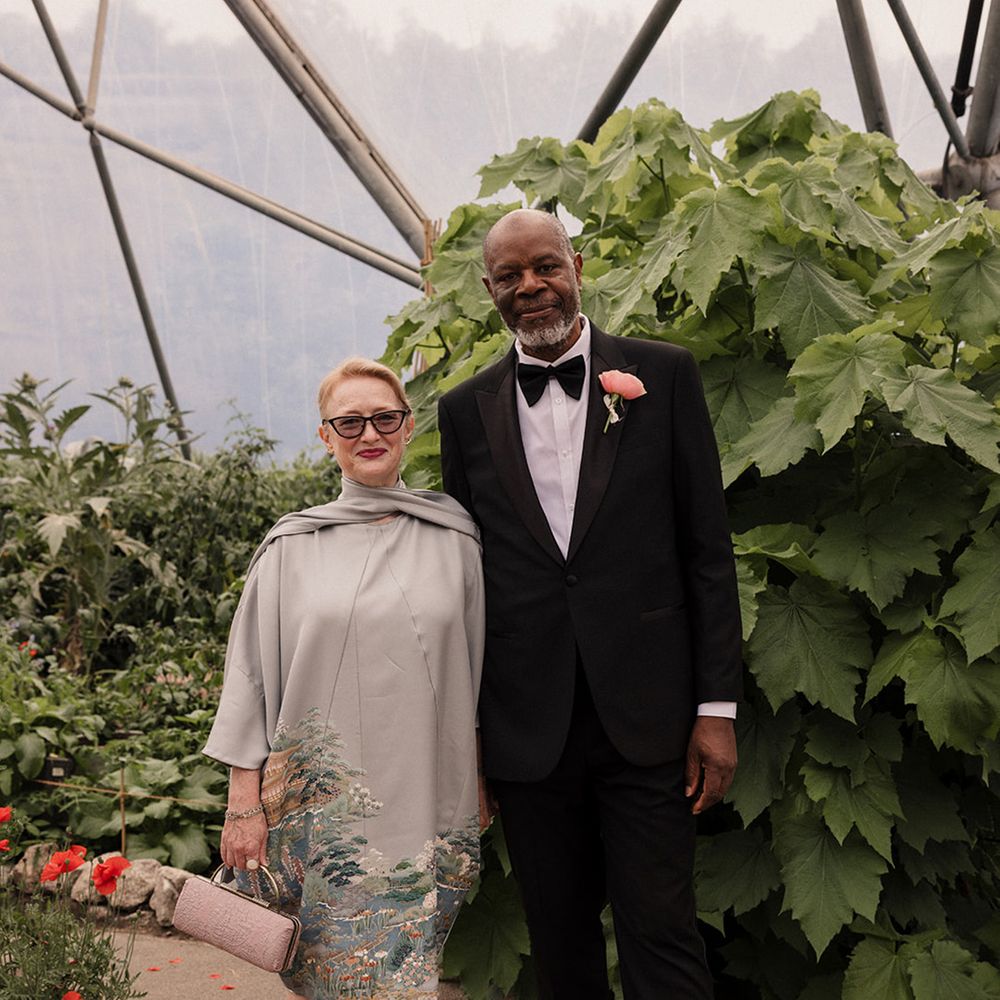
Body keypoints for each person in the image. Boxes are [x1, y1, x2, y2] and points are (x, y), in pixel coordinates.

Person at [437, 208, 743, 999]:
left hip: (650, 723)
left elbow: (707, 554)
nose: (530, 287)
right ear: (488, 289)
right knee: (561, 948)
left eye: (544, 266)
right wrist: (471, 740)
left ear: (576, 264)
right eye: (509, 276)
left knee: (664, 936)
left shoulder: (664, 375)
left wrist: (716, 709)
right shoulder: (462, 408)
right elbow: (468, 583)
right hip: (528, 732)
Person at [203, 358, 485, 1000]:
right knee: (330, 976)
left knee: (411, 974)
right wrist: (243, 804)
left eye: (384, 417)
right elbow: (246, 681)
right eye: (349, 421)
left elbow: (480, 672)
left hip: (429, 802)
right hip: (320, 813)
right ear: (325, 436)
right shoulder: (289, 549)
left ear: (409, 426)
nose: (369, 433)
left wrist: (481, 776)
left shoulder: (457, 539)